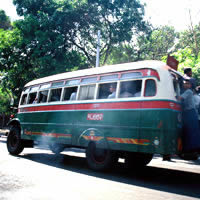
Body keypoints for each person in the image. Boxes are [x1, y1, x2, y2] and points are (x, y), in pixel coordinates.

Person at [178, 79, 200, 153]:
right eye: (184, 83)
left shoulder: (188, 91)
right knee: (190, 131)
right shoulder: (186, 91)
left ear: (190, 85)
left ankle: (190, 149)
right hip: (189, 113)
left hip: (190, 113)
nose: (185, 85)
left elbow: (180, 98)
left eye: (187, 83)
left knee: (190, 131)